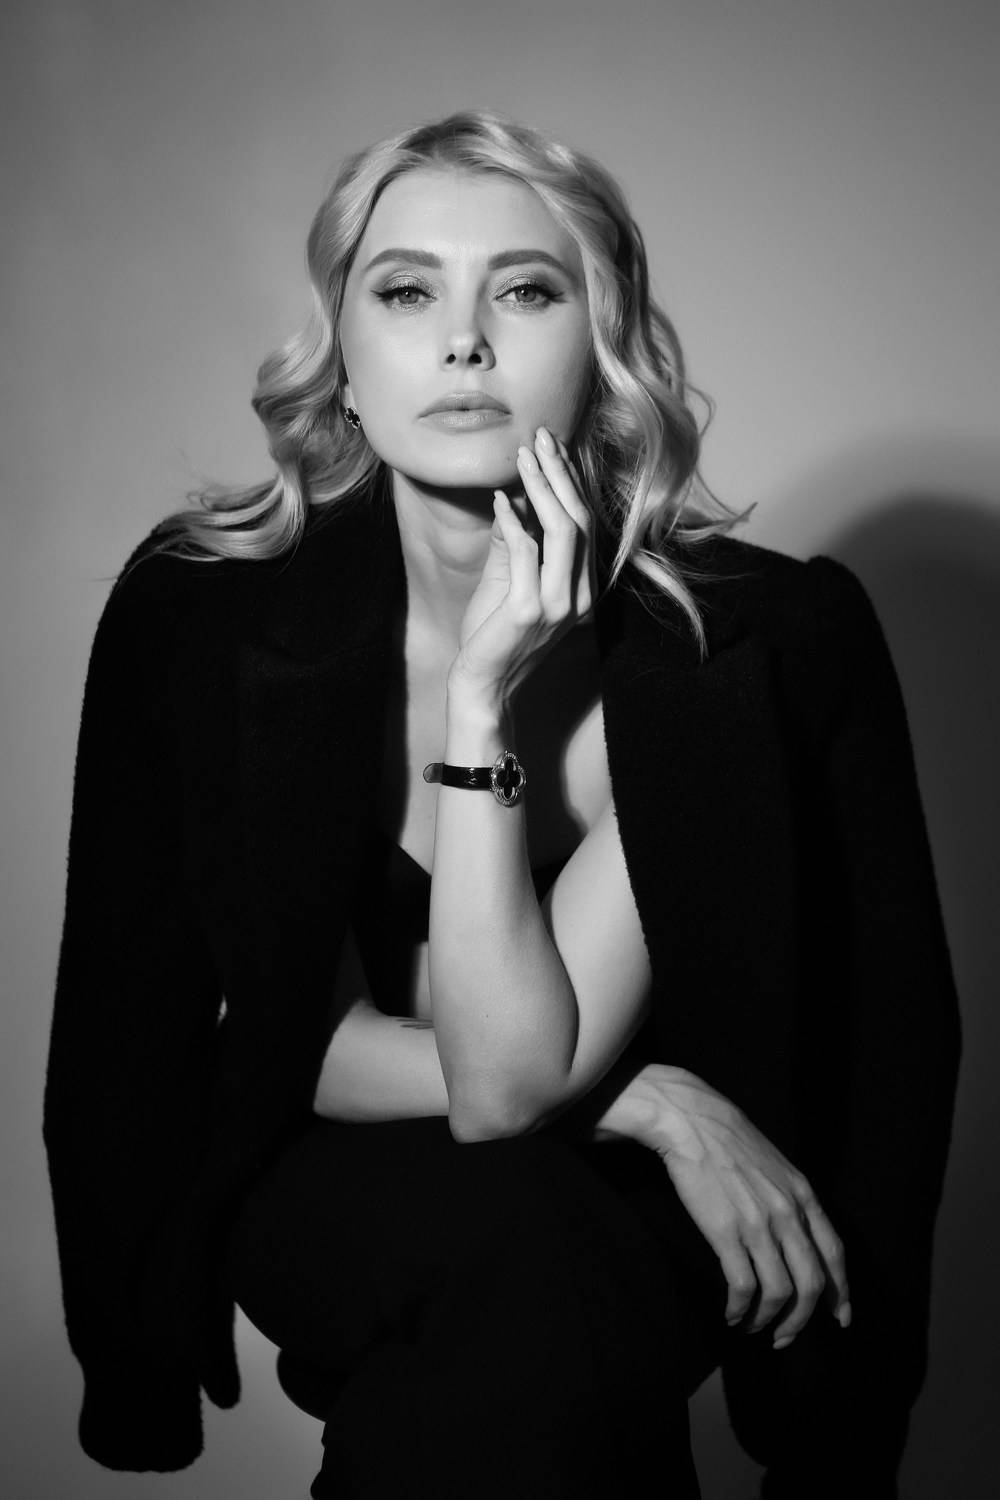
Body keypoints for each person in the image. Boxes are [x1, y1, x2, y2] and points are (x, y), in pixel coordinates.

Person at [43, 110, 960, 1499]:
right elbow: (226, 1029)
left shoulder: (748, 648)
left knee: (530, 1273)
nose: (464, 341)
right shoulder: (204, 617)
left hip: (626, 1212)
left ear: (604, 349)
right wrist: (649, 1099)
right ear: (342, 361)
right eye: (407, 292)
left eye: (525, 291)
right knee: (521, 1263)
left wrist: (481, 706)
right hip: (327, 1160)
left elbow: (876, 1050)